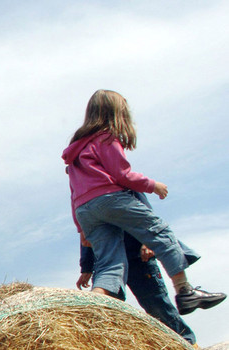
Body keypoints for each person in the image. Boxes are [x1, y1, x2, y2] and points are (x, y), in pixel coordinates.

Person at [63, 89, 224, 315]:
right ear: (116, 113)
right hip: (110, 199)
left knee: (109, 263)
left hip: (85, 211)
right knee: (160, 232)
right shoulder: (106, 137)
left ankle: (94, 305)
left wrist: (81, 228)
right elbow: (123, 175)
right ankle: (185, 291)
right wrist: (153, 185)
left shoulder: (75, 152)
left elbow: (73, 194)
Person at [76, 197, 199, 345]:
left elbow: (145, 216)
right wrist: (87, 266)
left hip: (138, 258)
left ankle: (186, 343)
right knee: (108, 311)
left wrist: (148, 241)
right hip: (107, 265)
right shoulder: (83, 193)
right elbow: (89, 233)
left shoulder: (119, 183)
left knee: (157, 305)